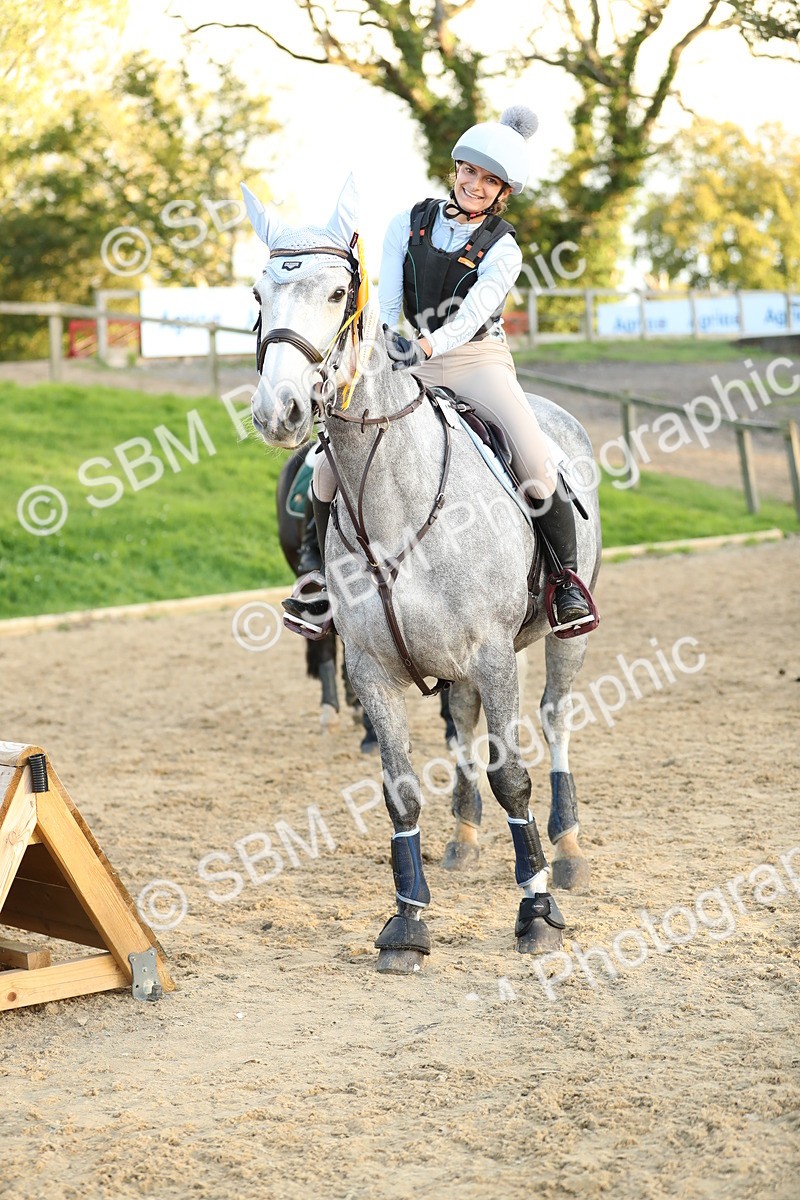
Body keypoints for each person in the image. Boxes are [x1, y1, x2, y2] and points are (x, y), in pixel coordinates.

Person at [284, 105, 595, 634]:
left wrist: (426, 347)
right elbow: (384, 294)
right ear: (455, 170)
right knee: (329, 460)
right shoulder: (408, 222)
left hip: (476, 359)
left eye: (489, 180)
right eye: (469, 171)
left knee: (537, 462)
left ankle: (564, 582)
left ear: (504, 193)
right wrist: (387, 341)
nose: (474, 184)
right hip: (404, 357)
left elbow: (474, 312)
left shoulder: (505, 248)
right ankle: (316, 578)